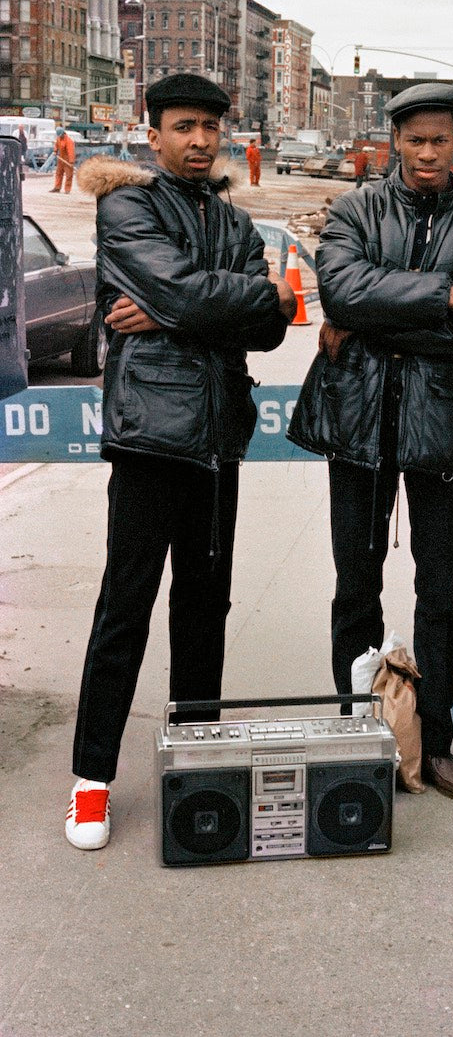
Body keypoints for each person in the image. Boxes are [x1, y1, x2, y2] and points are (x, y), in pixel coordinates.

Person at [66, 73, 296, 850]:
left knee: (206, 605)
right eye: (184, 126)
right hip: (149, 433)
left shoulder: (231, 219)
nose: (200, 141)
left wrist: (174, 308)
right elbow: (206, 293)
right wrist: (220, 298)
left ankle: (195, 754)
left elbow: (270, 323)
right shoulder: (126, 204)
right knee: (125, 606)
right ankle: (91, 782)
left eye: (210, 128)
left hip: (218, 438)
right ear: (153, 132)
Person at [288, 83, 453, 802]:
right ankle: (360, 731)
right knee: (356, 586)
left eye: (439, 140)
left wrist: (377, 310)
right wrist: (444, 295)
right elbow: (342, 294)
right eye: (414, 140)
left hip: (439, 427)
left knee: (438, 591)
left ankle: (436, 742)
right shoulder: (355, 209)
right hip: (357, 423)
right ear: (395, 140)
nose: (425, 153)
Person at [50, 126, 76, 193]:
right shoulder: (59, 138)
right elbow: (56, 145)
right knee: (58, 173)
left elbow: (71, 152)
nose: (60, 136)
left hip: (67, 159)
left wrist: (71, 161)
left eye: (61, 135)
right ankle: (57, 187)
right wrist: (55, 151)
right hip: (61, 159)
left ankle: (67, 189)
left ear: (63, 133)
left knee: (69, 175)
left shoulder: (69, 141)